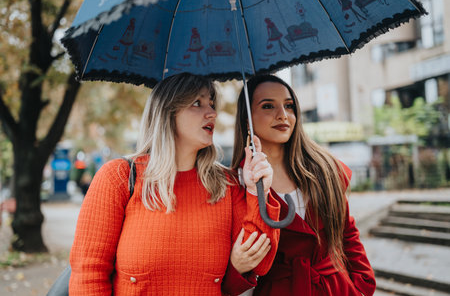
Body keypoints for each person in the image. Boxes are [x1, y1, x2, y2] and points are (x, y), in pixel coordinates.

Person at [69, 73, 281, 295]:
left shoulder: (226, 184)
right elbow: (89, 273)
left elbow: (259, 263)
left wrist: (257, 189)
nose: (212, 113)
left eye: (211, 103)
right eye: (197, 103)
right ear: (167, 112)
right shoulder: (119, 177)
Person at [231, 74, 376, 296]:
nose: (283, 115)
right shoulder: (237, 184)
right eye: (268, 106)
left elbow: (347, 233)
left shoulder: (323, 169)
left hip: (336, 289)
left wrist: (362, 284)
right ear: (247, 118)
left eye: (289, 106)